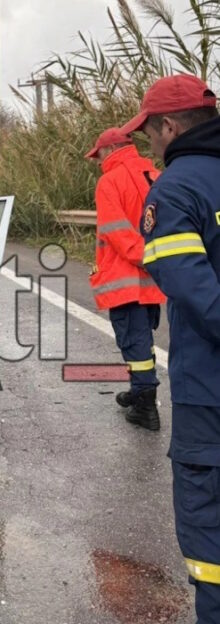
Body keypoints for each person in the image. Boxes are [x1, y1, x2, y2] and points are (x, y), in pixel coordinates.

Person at [120, 74, 220, 622]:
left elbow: (194, 289)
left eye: (151, 132)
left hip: (210, 391)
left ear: (170, 126)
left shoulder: (177, 189)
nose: (150, 144)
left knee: (209, 530)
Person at [85, 127, 166, 430]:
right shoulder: (155, 175)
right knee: (143, 340)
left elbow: (116, 230)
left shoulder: (110, 181)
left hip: (126, 277)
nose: (97, 161)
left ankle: (145, 408)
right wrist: (156, 261)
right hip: (152, 278)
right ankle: (137, 392)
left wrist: (142, 257)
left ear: (110, 150)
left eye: (98, 154)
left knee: (134, 342)